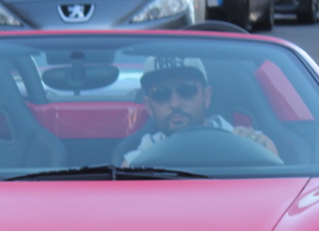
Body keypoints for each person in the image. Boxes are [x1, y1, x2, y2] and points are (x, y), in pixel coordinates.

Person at [118, 57, 278, 165]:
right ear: (149, 106)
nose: (175, 103)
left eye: (186, 90)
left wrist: (251, 152)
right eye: (161, 94)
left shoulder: (255, 145)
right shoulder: (135, 164)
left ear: (206, 96)